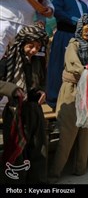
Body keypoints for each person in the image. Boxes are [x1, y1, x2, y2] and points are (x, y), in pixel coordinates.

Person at [48, 14, 88, 183]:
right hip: (72, 90)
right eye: (87, 28)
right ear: (80, 28)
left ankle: (80, 168)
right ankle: (54, 174)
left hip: (86, 91)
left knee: (84, 131)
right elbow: (74, 64)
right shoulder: (73, 45)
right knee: (68, 132)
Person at [0, 24, 48, 183]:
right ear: (21, 44)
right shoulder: (7, 61)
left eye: (37, 47)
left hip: (34, 111)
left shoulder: (36, 62)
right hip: (15, 113)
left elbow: (39, 84)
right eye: (30, 46)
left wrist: (41, 92)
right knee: (16, 153)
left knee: (38, 150)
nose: (34, 50)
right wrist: (12, 89)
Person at [46, 0, 88, 109]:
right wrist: (75, 21)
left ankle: (76, 98)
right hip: (64, 35)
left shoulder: (83, 5)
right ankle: (53, 100)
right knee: (59, 65)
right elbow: (57, 11)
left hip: (80, 40)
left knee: (79, 67)